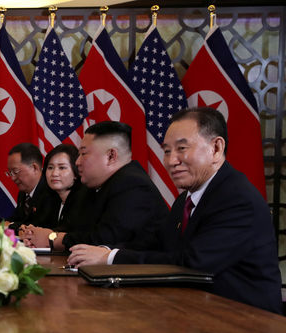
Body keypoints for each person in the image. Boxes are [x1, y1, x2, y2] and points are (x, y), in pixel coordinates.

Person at [68, 107, 282, 314]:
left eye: (182, 148)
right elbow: (155, 244)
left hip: (247, 323)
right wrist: (102, 251)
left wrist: (110, 258)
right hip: (194, 312)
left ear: (216, 148)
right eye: (167, 151)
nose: (171, 161)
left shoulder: (236, 198)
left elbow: (192, 264)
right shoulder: (186, 200)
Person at [22, 121, 168, 251]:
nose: (77, 162)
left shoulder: (133, 185)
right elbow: (74, 228)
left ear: (111, 156)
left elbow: (104, 241)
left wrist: (52, 239)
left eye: (83, 154)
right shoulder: (93, 187)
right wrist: (36, 234)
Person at [4, 143, 58, 230]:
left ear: (34, 167)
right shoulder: (23, 193)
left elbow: (34, 227)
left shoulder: (50, 191)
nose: (13, 178)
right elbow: (15, 218)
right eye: (10, 173)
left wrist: (10, 226)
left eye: (16, 171)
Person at [42, 144, 90, 232]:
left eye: (62, 168)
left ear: (76, 173)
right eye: (50, 168)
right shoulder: (51, 199)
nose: (54, 173)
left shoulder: (83, 200)